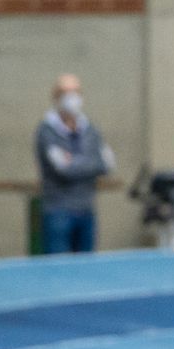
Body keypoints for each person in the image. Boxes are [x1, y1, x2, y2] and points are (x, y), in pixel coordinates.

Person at [35, 73, 114, 253]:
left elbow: (106, 164)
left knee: (85, 270)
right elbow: (64, 169)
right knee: (58, 270)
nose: (72, 97)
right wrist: (89, 161)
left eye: (76, 91)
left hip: (87, 210)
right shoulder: (46, 131)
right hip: (57, 212)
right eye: (65, 92)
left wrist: (75, 162)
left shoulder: (91, 130)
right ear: (56, 97)